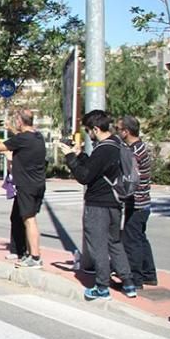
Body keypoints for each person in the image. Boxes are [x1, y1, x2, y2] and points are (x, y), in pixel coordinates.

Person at [60, 109, 137, 300]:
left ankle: (102, 287)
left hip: (98, 204)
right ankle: (128, 283)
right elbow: (96, 169)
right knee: (115, 243)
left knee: (98, 245)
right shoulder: (117, 144)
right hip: (115, 202)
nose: (89, 135)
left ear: (95, 129)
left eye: (88, 131)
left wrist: (69, 156)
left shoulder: (104, 149)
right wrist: (80, 155)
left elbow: (84, 176)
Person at [0, 109, 46, 269]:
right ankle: (29, 253)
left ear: (20, 121)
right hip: (38, 183)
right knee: (29, 219)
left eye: (16, 121)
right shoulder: (37, 137)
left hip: (26, 185)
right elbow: (21, 139)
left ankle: (35, 257)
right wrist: (11, 130)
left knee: (29, 220)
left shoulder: (22, 139)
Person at [118, 115, 157, 290]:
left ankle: (135, 279)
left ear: (126, 131)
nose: (118, 132)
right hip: (144, 203)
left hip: (137, 203)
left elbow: (131, 178)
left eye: (119, 129)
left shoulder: (133, 152)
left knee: (131, 241)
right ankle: (149, 274)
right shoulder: (141, 147)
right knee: (141, 239)